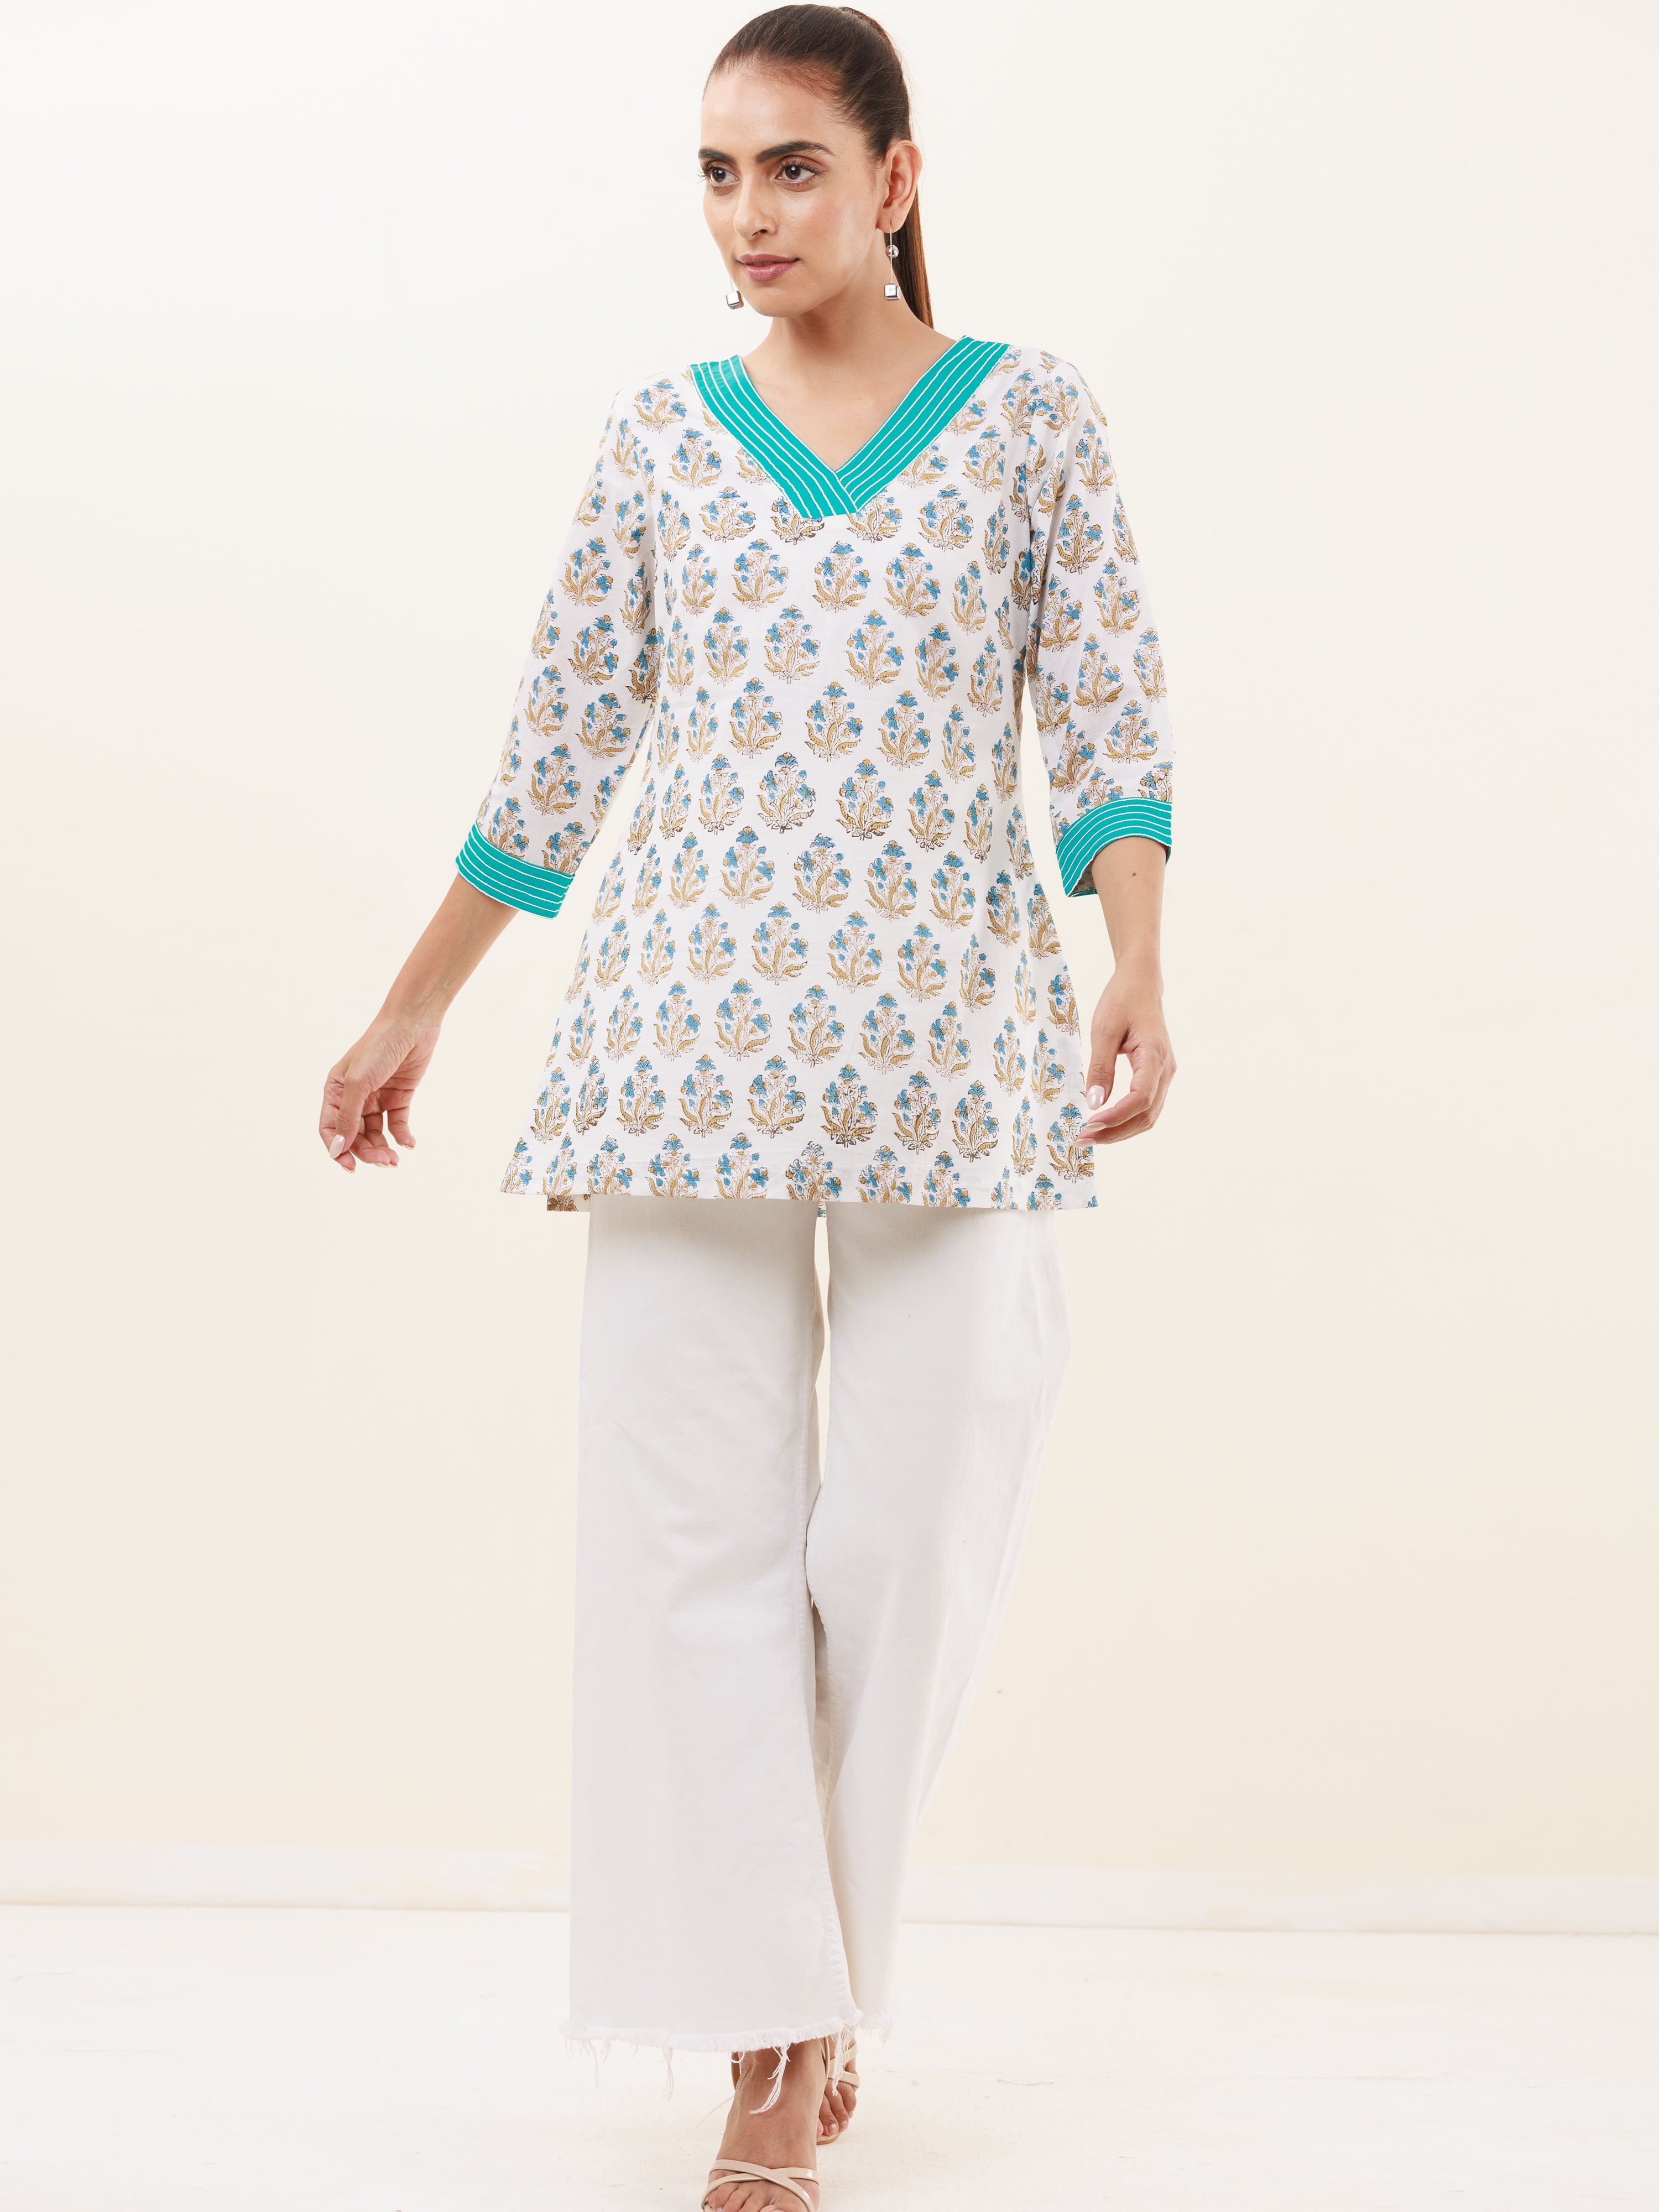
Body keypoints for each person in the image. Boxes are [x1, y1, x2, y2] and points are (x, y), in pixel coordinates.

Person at [319, 8, 1176, 2205]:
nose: (747, 215)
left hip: (956, 1056)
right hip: (680, 1054)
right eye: (716, 173)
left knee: (909, 1539)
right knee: (691, 1557)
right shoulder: (658, 441)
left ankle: (822, 1974)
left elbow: (1107, 718)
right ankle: (772, 2046)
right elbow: (558, 751)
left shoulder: (1032, 419)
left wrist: (1139, 964)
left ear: (896, 179)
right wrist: (414, 1008)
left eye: (792, 167)